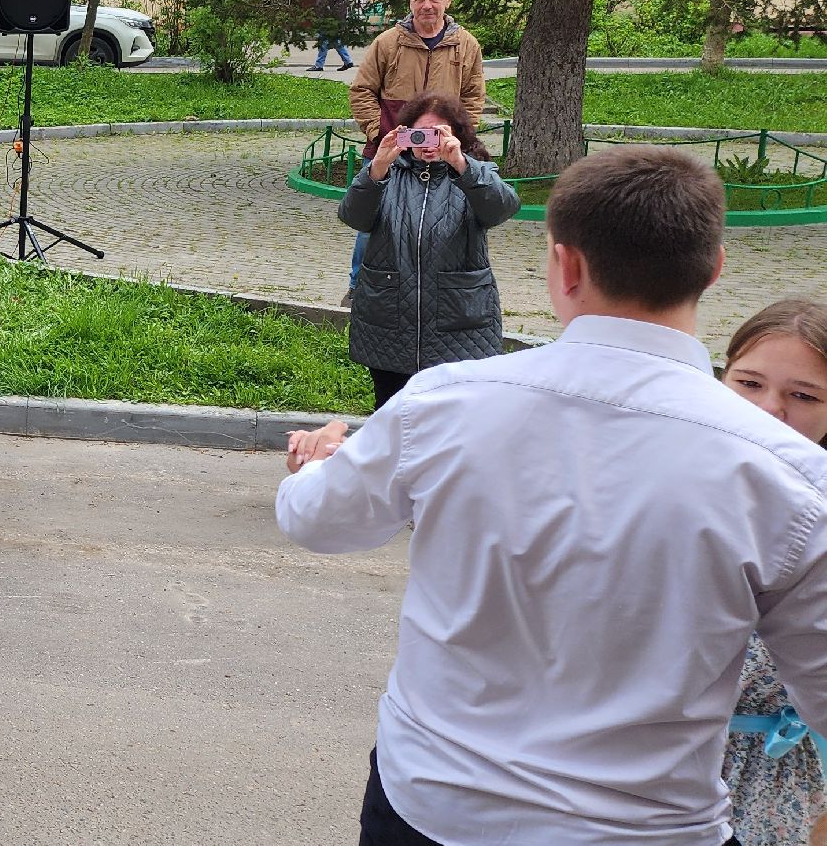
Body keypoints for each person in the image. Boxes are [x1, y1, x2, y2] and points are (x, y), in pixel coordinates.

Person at [276, 145, 827, 846]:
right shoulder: (790, 477)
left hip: (432, 806)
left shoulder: (444, 403)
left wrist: (317, 468)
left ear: (564, 266)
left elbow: (319, 523)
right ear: (713, 268)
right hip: (642, 829)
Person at [717, 299, 827, 846]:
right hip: (665, 772)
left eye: (803, 396)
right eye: (749, 383)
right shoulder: (670, 495)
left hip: (787, 783)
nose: (769, 410)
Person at [339, 90, 519, 409]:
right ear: (404, 133)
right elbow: (353, 216)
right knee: (393, 415)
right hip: (390, 318)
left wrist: (461, 164)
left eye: (437, 134)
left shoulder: (474, 172)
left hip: (458, 320)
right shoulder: (388, 173)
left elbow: (502, 209)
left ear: (455, 134)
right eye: (419, 133)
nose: (427, 143)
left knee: (452, 422)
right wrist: (377, 168)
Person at [346, 0, 488, 301]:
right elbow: (362, 91)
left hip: (441, 154)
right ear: (410, 3)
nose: (427, 6)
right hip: (391, 151)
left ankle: (433, 293)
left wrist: (459, 137)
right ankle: (358, 288)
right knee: (375, 219)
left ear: (447, 2)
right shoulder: (387, 42)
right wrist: (377, 131)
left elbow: (473, 97)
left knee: (444, 221)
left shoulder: (466, 45)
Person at [310, 0, 360, 73]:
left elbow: (324, 7)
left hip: (330, 22)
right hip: (336, 21)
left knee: (324, 42)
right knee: (337, 42)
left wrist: (326, 18)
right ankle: (348, 61)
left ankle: (319, 65)